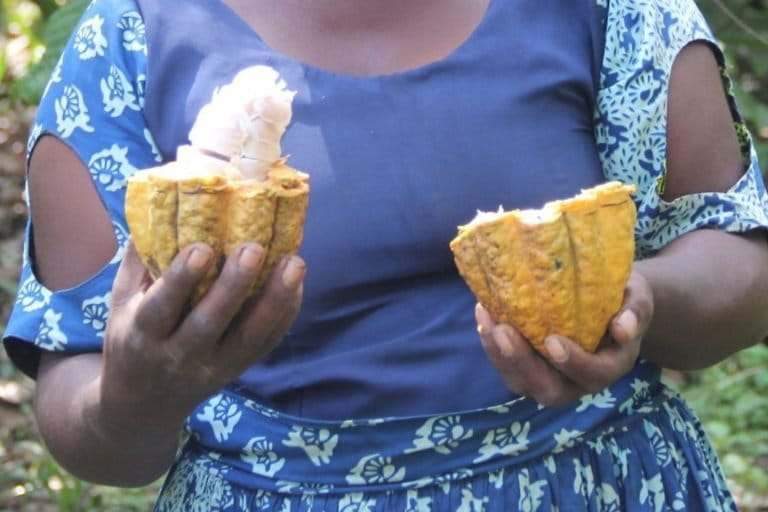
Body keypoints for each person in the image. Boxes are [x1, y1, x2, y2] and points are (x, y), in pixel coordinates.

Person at [4, 0, 768, 509]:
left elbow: (740, 257)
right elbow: (82, 399)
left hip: (604, 485)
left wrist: (640, 298)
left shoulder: (610, 10)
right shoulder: (132, 40)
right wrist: (137, 398)